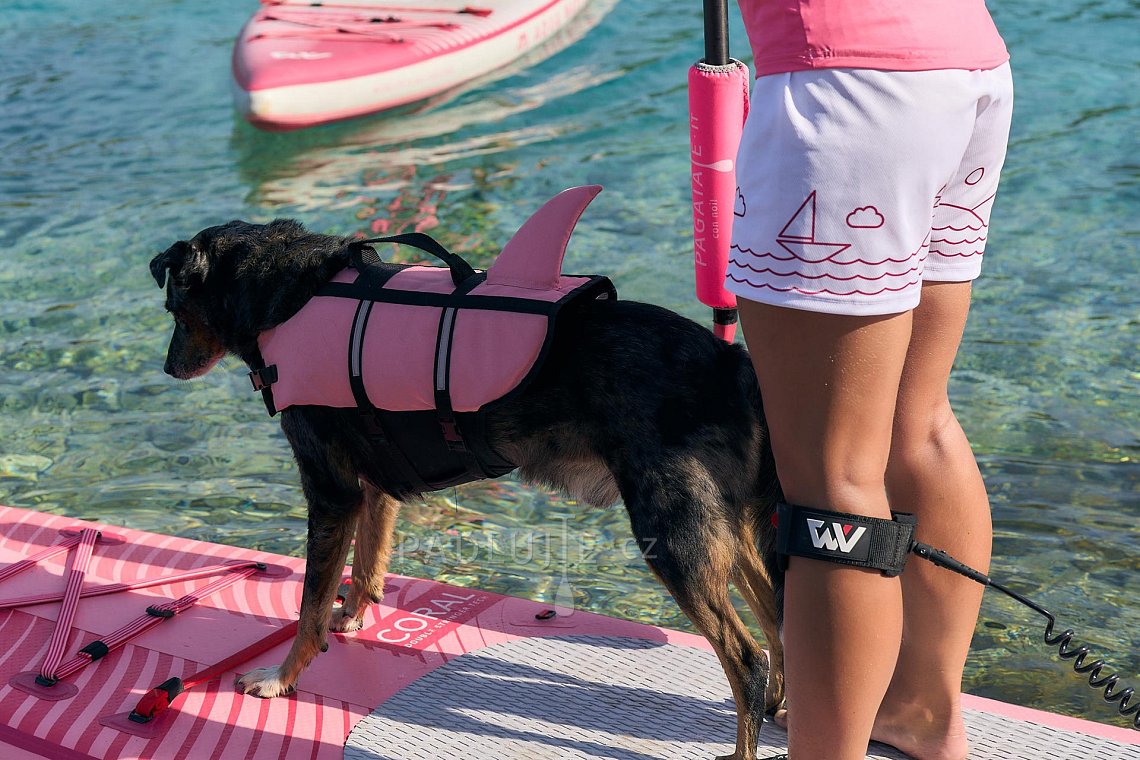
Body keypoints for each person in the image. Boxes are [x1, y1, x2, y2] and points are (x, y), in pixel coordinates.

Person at [724, 2, 1014, 759]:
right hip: (965, 69)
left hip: (844, 89)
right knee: (917, 423)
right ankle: (921, 710)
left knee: (830, 481)